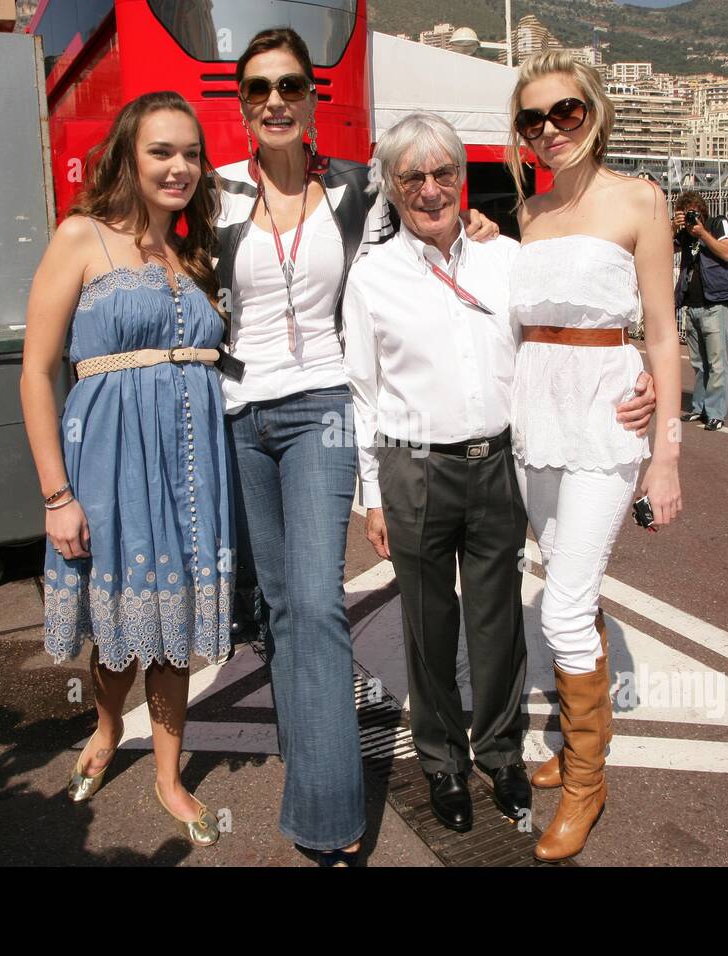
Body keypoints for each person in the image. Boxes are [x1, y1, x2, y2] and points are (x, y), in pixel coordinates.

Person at [212, 28, 500, 866]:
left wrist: (473, 224)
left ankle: (330, 818)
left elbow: (420, 234)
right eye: (259, 87)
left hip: (321, 412)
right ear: (242, 102)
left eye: (291, 86)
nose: (275, 100)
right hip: (239, 413)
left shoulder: (353, 192)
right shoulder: (219, 193)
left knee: (317, 604)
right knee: (277, 611)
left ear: (312, 99)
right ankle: (315, 773)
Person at [343, 113, 658, 838]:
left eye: (443, 173)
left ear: (461, 177)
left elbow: (569, 337)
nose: (430, 189)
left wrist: (634, 375)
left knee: (497, 623)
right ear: (391, 187)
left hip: (498, 463)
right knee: (427, 623)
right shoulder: (372, 276)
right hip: (413, 468)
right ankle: (443, 763)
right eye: (412, 177)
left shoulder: (506, 257)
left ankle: (500, 751)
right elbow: (361, 394)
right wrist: (371, 497)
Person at [21, 91, 231, 847]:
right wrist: (56, 494)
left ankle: (169, 776)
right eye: (161, 151)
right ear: (127, 157)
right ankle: (108, 727)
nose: (179, 166)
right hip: (109, 465)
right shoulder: (81, 236)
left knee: (173, 630)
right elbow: (36, 370)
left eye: (191, 154)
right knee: (120, 634)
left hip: (193, 467)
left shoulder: (196, 252)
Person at [506, 50, 682, 860]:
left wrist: (667, 454)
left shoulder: (641, 200)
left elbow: (663, 332)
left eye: (566, 112)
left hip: (610, 415)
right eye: (533, 119)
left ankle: (587, 782)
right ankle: (576, 751)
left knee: (567, 604)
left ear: (595, 111)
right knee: (562, 586)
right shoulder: (526, 213)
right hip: (535, 418)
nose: (550, 131)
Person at [673, 191, 728, 431]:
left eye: (693, 212)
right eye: (686, 214)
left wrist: (702, 233)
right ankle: (699, 407)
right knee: (698, 363)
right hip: (692, 306)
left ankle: (715, 412)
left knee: (717, 362)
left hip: (715, 304)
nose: (691, 218)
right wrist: (674, 227)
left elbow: (726, 252)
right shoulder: (684, 235)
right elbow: (662, 250)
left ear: (701, 210)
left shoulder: (716, 223)